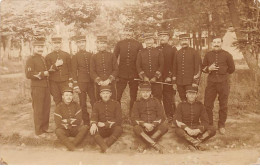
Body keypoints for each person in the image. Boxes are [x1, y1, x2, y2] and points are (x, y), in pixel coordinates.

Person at [202, 36, 235, 135]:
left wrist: (223, 73)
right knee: (207, 105)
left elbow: (232, 69)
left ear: (221, 43)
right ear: (212, 43)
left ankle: (221, 125)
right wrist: (209, 69)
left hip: (223, 83)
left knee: (223, 105)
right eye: (214, 42)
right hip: (211, 83)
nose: (216, 44)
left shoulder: (227, 55)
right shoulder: (208, 55)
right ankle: (210, 125)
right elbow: (203, 68)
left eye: (218, 42)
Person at [175, 86, 216, 151]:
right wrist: (187, 129)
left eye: (193, 94)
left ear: (196, 95)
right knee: (178, 131)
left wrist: (198, 130)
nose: (191, 96)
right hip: (186, 130)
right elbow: (177, 120)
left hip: (197, 129)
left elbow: (205, 121)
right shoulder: (181, 105)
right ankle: (197, 144)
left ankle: (193, 143)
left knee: (212, 129)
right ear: (186, 95)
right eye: (190, 94)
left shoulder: (200, 105)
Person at [25, 37, 51, 137]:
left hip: (46, 87)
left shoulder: (42, 58)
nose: (40, 49)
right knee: (38, 109)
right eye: (38, 47)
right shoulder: (31, 59)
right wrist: (43, 74)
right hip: (37, 87)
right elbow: (28, 74)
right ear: (33, 48)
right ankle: (38, 131)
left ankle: (44, 128)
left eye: (41, 47)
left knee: (46, 108)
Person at [131, 82, 168, 153]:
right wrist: (145, 124)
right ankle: (156, 145)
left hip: (155, 128)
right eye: (143, 92)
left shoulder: (156, 101)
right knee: (136, 128)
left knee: (164, 127)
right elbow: (134, 118)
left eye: (147, 92)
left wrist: (153, 125)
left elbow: (161, 116)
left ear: (150, 92)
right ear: (140, 93)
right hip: (143, 129)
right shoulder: (137, 103)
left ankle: (144, 145)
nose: (145, 94)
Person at [114, 27, 143, 115]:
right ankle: (117, 114)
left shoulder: (138, 44)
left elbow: (141, 59)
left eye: (130, 31)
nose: (128, 33)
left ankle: (132, 114)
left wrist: (140, 73)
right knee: (118, 95)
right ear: (123, 32)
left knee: (133, 96)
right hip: (121, 74)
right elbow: (114, 58)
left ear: (133, 32)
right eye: (126, 31)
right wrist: (116, 73)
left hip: (134, 74)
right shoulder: (119, 44)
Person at [90, 85, 123, 153]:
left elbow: (119, 119)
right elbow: (94, 116)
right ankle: (105, 148)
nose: (105, 95)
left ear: (110, 94)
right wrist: (93, 124)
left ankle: (104, 147)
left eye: (107, 93)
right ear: (100, 95)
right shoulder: (96, 104)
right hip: (101, 128)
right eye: (103, 93)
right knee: (93, 130)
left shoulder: (116, 104)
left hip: (112, 127)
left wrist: (105, 124)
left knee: (119, 129)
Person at [54, 87, 88, 151]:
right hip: (65, 129)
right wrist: (71, 121)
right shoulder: (59, 107)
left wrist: (66, 121)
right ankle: (73, 147)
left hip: (75, 129)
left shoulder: (76, 105)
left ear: (72, 96)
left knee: (85, 128)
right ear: (63, 96)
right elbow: (58, 122)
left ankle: (71, 146)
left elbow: (78, 120)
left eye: (70, 95)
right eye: (66, 95)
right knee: (58, 131)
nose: (68, 97)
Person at [72, 35, 96, 126]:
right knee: (82, 102)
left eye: (83, 42)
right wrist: (75, 84)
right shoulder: (75, 56)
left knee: (94, 101)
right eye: (79, 42)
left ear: (85, 43)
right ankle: (86, 121)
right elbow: (74, 72)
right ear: (77, 44)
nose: (81, 44)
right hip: (81, 82)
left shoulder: (91, 55)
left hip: (91, 82)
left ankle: (95, 119)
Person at [172, 34, 201, 101]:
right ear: (180, 42)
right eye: (182, 40)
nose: (184, 42)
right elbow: (174, 68)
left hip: (191, 82)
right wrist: (174, 82)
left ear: (189, 41)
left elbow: (198, 68)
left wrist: (195, 82)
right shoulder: (177, 53)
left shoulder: (194, 52)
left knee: (192, 100)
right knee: (183, 100)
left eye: (186, 40)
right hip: (180, 82)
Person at [157, 30, 177, 124]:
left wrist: (170, 76)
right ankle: (160, 116)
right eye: (160, 36)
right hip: (158, 78)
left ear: (168, 38)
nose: (162, 38)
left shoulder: (173, 49)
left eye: (164, 36)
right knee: (157, 97)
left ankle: (171, 116)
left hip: (168, 78)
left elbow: (175, 64)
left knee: (168, 97)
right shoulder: (156, 49)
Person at [136, 32, 164, 100]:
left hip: (156, 80)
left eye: (150, 39)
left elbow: (162, 65)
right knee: (145, 97)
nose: (149, 42)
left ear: (153, 40)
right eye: (147, 40)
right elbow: (138, 65)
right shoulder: (140, 52)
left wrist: (155, 77)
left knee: (157, 98)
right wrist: (144, 77)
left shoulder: (159, 51)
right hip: (145, 80)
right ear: (144, 41)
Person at [45, 36, 72, 105]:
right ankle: (59, 115)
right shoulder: (48, 57)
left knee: (67, 99)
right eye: (55, 43)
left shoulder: (66, 55)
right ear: (52, 44)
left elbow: (70, 70)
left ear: (61, 44)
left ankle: (67, 115)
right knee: (57, 100)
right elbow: (48, 71)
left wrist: (70, 81)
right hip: (54, 82)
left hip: (65, 81)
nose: (57, 45)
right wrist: (55, 65)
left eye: (58, 43)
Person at [90, 35, 118, 100]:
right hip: (99, 84)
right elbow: (92, 71)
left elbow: (116, 69)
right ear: (97, 44)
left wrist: (109, 80)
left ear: (106, 44)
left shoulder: (112, 55)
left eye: (104, 43)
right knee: (99, 101)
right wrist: (99, 81)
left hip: (110, 83)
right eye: (100, 43)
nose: (102, 45)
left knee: (112, 100)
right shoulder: (94, 57)